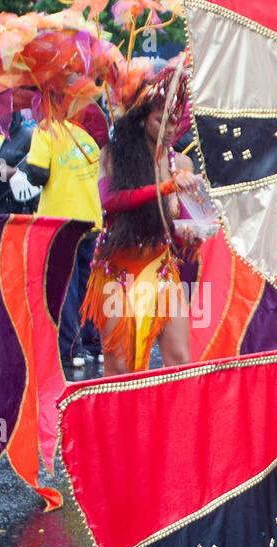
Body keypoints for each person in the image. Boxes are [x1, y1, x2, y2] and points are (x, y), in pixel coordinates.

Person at [79, 69, 205, 375]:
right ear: (140, 120)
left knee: (180, 362)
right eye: (161, 120)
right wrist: (165, 187)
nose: (170, 127)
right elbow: (111, 203)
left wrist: (190, 234)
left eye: (175, 119)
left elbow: (184, 222)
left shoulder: (182, 164)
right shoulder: (113, 156)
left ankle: (174, 425)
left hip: (162, 268)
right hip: (117, 271)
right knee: (121, 367)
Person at [23, 115, 104, 372]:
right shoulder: (85, 134)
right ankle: (96, 346)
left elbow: (37, 172)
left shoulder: (45, 130)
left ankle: (71, 351)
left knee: (66, 286)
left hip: (60, 222)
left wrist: (23, 166)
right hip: (90, 218)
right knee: (87, 284)